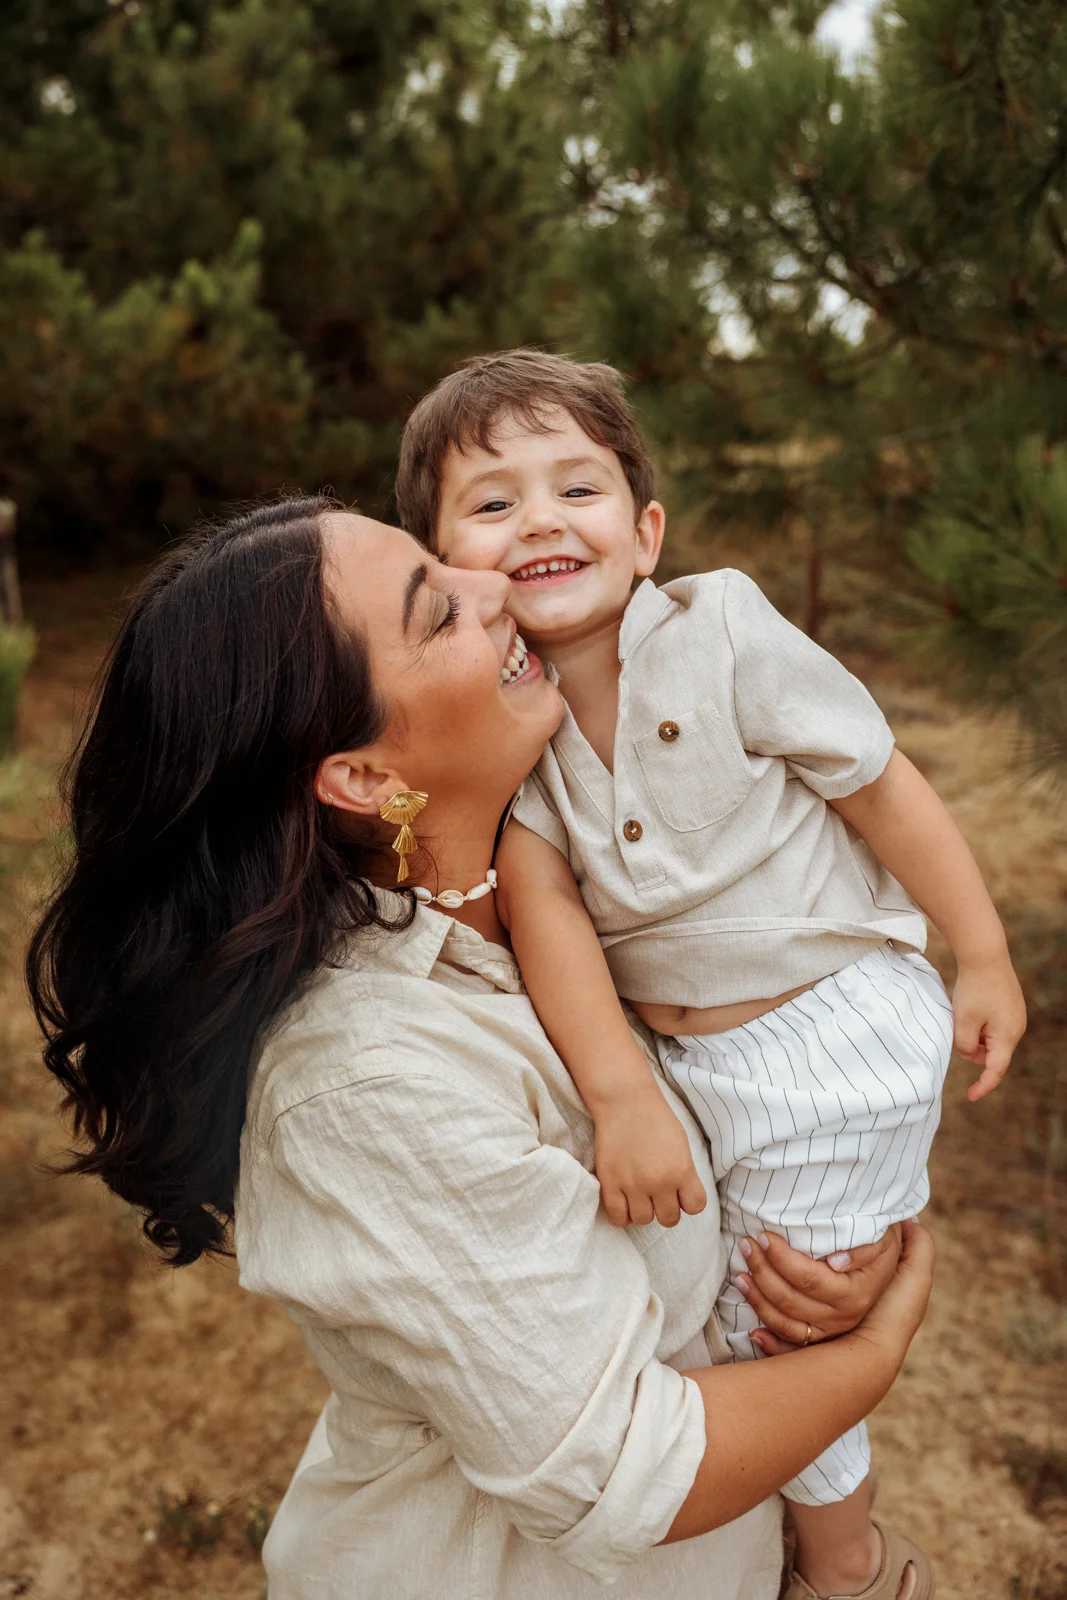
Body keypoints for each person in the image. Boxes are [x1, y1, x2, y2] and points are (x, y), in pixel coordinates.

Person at [27, 498, 933, 1600]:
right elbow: (630, 1472)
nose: (491, 584)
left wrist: (831, 1254)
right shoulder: (364, 1084)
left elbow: (782, 1086)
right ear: (361, 778)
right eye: (434, 608)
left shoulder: (593, 883)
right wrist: (873, 1348)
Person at [396, 350, 1028, 1600]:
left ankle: (844, 1570)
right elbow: (550, 913)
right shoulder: (510, 722)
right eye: (491, 501)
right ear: (444, 561)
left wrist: (985, 951)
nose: (536, 519)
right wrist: (626, 1096)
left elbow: (875, 779)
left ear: (642, 532)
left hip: (828, 1036)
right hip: (693, 1066)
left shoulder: (721, 627)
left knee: (776, 1318)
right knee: (712, 1304)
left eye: (574, 488)